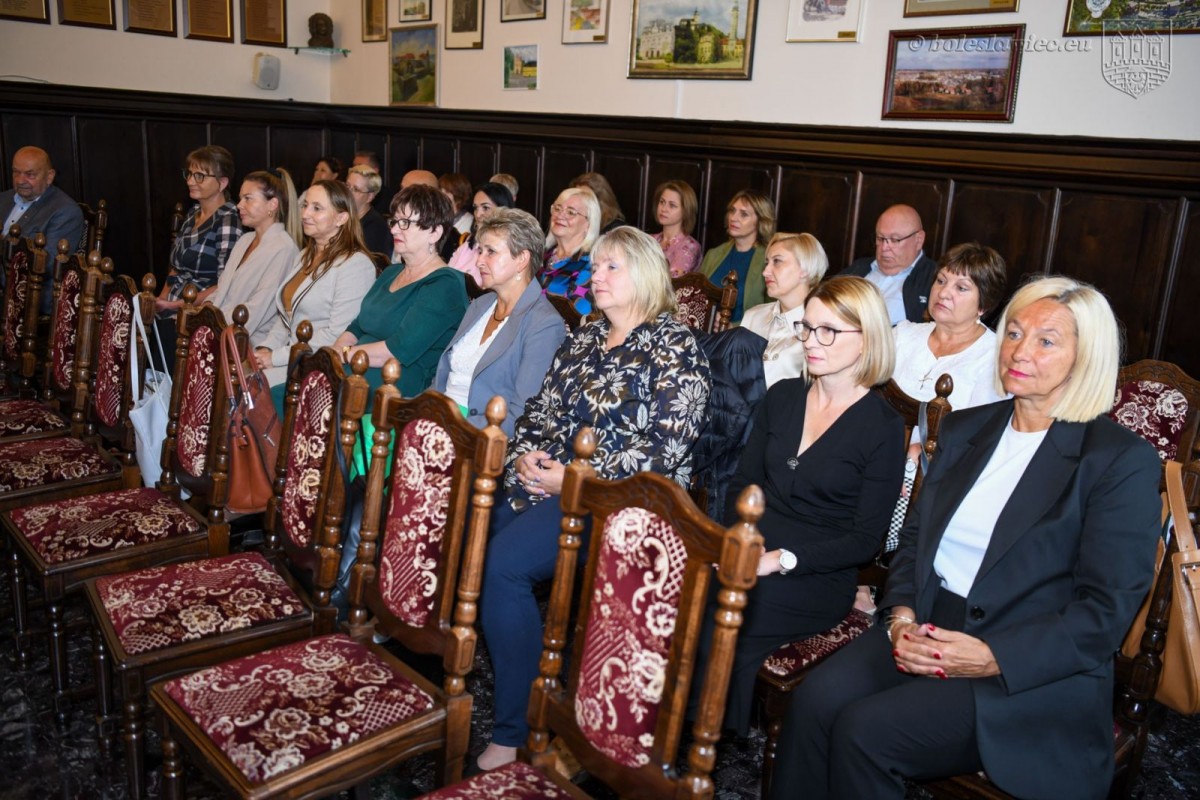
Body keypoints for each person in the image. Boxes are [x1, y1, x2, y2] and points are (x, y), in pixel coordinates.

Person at [770, 276, 1163, 800]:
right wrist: (902, 615)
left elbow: (1106, 610)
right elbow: (915, 542)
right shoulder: (964, 429)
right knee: (815, 702)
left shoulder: (1116, 460)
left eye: (1047, 340)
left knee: (867, 732)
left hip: (1024, 665)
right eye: (1015, 332)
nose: (1020, 350)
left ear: (1086, 356)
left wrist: (992, 655)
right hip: (930, 623)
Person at [477, 226, 711, 771]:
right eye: (596, 266)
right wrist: (525, 459)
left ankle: (516, 726)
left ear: (647, 277)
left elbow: (663, 452)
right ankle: (513, 679)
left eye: (612, 268)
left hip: (625, 505)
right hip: (554, 484)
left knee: (503, 567)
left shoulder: (677, 348)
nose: (596, 277)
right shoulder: (584, 336)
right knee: (473, 528)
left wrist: (576, 479)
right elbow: (538, 413)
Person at [696, 275, 904, 736]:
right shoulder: (784, 395)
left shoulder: (882, 426)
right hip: (755, 543)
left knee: (729, 616)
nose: (811, 341)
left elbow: (865, 539)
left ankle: (699, 744)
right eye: (807, 327)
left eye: (829, 330)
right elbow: (744, 484)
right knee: (684, 593)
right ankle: (655, 733)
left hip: (816, 571)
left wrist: (781, 560)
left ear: (868, 337)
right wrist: (739, 538)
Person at [434, 208, 565, 435]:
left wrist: (459, 434)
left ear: (521, 259)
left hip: (481, 436)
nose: (479, 261)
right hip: (440, 417)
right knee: (374, 423)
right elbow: (442, 380)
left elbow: (523, 411)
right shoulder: (480, 305)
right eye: (480, 251)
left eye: (491, 252)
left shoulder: (544, 324)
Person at [332, 184, 468, 401]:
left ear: (435, 232)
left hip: (396, 382)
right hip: (359, 367)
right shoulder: (391, 272)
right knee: (297, 385)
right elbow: (357, 326)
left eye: (405, 223)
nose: (394, 229)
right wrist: (336, 352)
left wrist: (345, 354)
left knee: (303, 396)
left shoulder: (444, 284)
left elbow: (398, 349)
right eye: (394, 221)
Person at [253, 180, 374, 389]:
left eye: (317, 208)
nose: (306, 214)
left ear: (341, 218)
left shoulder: (355, 264)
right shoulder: (304, 255)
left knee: (249, 387)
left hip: (317, 365)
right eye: (306, 205)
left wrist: (276, 357)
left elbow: (337, 334)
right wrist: (265, 350)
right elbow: (286, 319)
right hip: (291, 356)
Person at [893, 242, 1009, 460]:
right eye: (941, 280)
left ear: (984, 304)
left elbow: (979, 438)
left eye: (961, 288)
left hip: (940, 470)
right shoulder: (903, 335)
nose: (943, 293)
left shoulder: (995, 358)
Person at [206, 167, 302, 344]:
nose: (239, 205)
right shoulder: (245, 239)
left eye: (248, 199)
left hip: (247, 342)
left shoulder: (283, 248)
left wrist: (211, 323)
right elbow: (222, 290)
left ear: (272, 205)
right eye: (241, 198)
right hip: (219, 327)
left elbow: (257, 310)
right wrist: (206, 309)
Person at [156, 145, 242, 315]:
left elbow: (226, 284)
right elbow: (175, 269)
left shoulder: (228, 219)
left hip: (197, 314)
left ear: (222, 183)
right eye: (189, 174)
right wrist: (160, 302)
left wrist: (176, 306)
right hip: (173, 307)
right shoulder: (194, 212)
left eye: (199, 176)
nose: (190, 181)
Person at [0, 146, 85, 313]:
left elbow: (48, 265)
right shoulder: (3, 199)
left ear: (49, 176)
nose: (20, 180)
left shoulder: (65, 211)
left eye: (30, 174)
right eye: (16, 172)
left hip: (30, 297)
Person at [741, 232, 829, 387]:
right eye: (767, 262)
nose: (765, 272)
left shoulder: (823, 327)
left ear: (805, 270)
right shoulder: (753, 316)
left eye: (777, 262)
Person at [844, 203, 938, 325]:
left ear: (919, 240)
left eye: (895, 240)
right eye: (880, 238)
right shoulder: (859, 267)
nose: (884, 248)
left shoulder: (935, 279)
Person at [700, 189, 775, 323]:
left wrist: (731, 328)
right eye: (732, 211)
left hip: (741, 337)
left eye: (744, 214)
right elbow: (695, 296)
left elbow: (773, 313)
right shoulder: (713, 254)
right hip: (702, 331)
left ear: (760, 221)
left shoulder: (768, 259)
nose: (733, 218)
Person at [539, 186, 599, 315]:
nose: (560, 215)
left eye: (571, 212)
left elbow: (577, 317)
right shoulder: (540, 256)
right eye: (557, 208)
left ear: (588, 224)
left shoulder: (589, 265)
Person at [445, 182, 515, 282]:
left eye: (485, 208)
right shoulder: (470, 243)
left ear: (503, 209)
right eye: (475, 208)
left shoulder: (509, 249)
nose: (478, 214)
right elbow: (448, 273)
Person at [650, 179, 702, 277]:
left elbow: (673, 282)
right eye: (662, 202)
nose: (664, 209)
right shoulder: (649, 240)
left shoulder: (690, 246)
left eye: (672, 205)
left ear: (686, 211)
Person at [346, 165, 393, 257]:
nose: (348, 193)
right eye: (347, 186)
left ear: (370, 197)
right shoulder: (341, 216)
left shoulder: (375, 227)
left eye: (356, 189)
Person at [438, 172, 474, 260]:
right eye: (440, 191)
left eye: (446, 191)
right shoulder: (437, 218)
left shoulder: (469, 221)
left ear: (458, 195)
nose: (441, 195)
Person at [352, 150, 391, 216]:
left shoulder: (387, 197)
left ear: (375, 171)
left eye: (360, 167)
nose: (355, 171)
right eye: (354, 166)